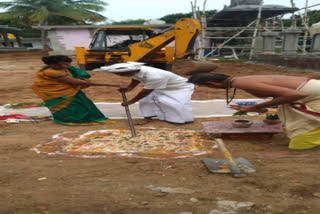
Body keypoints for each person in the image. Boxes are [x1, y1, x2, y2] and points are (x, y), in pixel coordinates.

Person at [188, 73, 320, 152]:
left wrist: (254, 107)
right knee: (294, 117)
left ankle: (302, 149)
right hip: (311, 93)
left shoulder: (241, 82)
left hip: (314, 96)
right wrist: (259, 108)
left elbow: (295, 94)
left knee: (302, 129)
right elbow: (280, 95)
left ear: (212, 84)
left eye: (205, 86)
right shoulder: (239, 80)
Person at [32, 55, 118, 125]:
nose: (65, 66)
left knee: (80, 104)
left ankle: (80, 117)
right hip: (58, 93)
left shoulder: (63, 68)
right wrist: (112, 85)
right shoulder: (52, 72)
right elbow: (76, 82)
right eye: (62, 65)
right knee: (71, 106)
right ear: (52, 64)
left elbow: (75, 73)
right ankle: (72, 119)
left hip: (69, 91)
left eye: (67, 64)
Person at [101, 62, 194, 125]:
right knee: (145, 100)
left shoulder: (154, 76)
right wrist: (129, 88)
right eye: (118, 74)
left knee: (174, 104)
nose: (120, 76)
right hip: (161, 86)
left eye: (122, 74)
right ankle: (148, 117)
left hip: (179, 88)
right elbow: (136, 78)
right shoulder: (137, 70)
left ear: (131, 71)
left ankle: (180, 120)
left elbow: (145, 91)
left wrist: (131, 101)